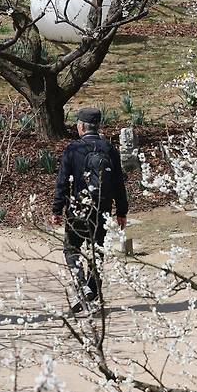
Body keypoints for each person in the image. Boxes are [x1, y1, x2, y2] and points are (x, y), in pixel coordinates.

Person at [52, 107, 128, 313]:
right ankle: (92, 294)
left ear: (81, 126)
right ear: (98, 126)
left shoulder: (73, 149)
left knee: (71, 249)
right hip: (102, 208)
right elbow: (119, 182)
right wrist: (122, 211)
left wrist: (57, 208)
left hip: (77, 208)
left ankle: (82, 287)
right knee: (97, 251)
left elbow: (62, 181)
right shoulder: (110, 149)